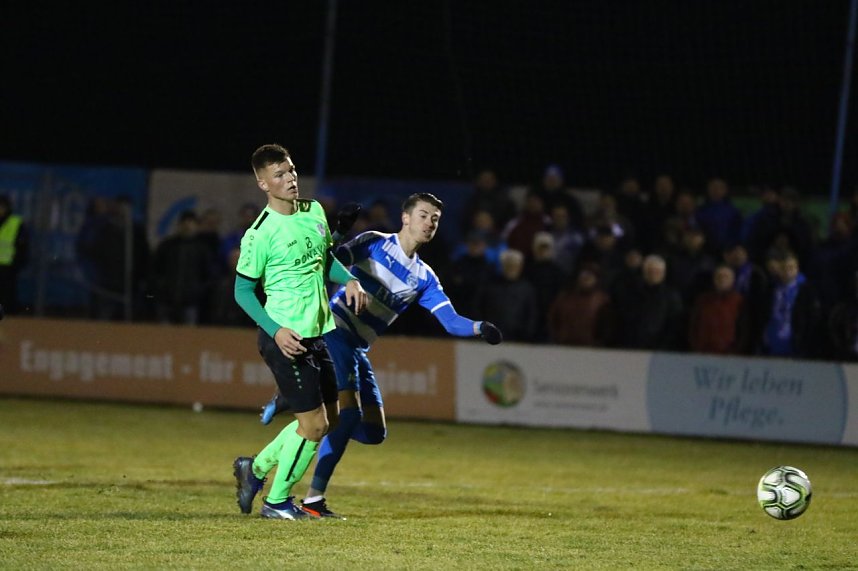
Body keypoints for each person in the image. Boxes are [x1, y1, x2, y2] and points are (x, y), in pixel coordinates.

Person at [258, 192, 503, 519]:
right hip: (334, 332)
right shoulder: (374, 242)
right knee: (345, 418)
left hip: (359, 347)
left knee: (373, 432)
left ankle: (287, 416)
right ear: (405, 217)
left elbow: (450, 321)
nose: (429, 222)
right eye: (423, 215)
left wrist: (479, 328)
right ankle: (313, 500)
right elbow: (325, 262)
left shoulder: (424, 278)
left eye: (435, 219)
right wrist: (339, 232)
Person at [231, 144, 369, 520]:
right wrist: (275, 331)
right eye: (279, 175)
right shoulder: (260, 234)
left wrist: (351, 279)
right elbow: (242, 291)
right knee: (314, 425)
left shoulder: (313, 211)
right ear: (262, 183)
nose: (290, 179)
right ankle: (276, 502)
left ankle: (254, 468)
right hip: (285, 340)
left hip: (317, 332)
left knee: (331, 420)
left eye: (291, 171)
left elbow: (323, 260)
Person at [0, 195, 29, 315]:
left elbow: (22, 246)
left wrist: (18, 262)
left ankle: (9, 317)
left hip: (8, 266)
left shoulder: (16, 222)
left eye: (2, 207)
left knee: (7, 294)